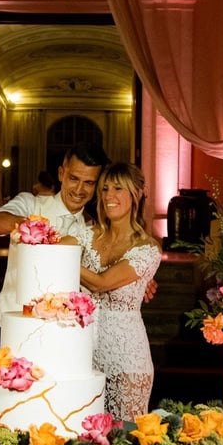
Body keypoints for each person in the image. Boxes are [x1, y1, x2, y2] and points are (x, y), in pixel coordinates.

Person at [69, 163, 162, 423]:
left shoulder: (149, 249)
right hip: (82, 351)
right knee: (82, 433)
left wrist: (64, 261)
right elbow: (53, 246)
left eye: (118, 188)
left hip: (127, 356)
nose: (109, 195)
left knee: (125, 436)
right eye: (105, 189)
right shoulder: (86, 234)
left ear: (137, 193)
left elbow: (100, 283)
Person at [0, 143, 109, 325]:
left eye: (89, 183)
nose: (79, 190)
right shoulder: (31, 204)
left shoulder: (94, 227)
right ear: (61, 174)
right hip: (16, 320)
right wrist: (30, 227)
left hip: (65, 326)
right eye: (74, 178)